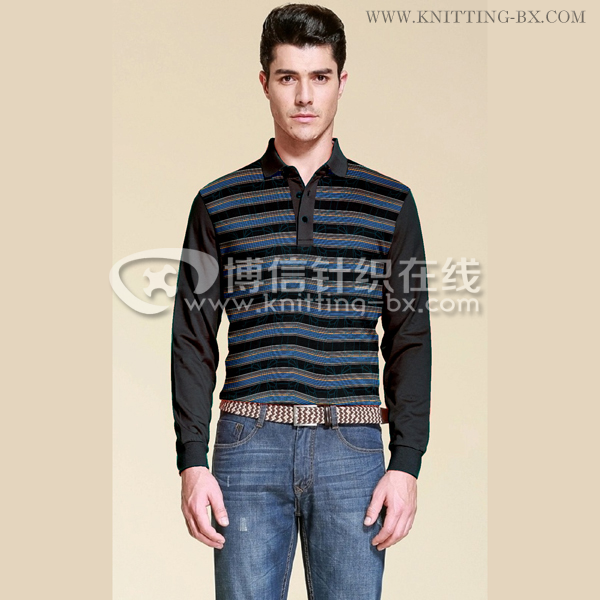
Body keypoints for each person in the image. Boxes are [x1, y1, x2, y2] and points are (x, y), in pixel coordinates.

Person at [171, 4, 432, 599]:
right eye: (288, 77)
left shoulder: (390, 203)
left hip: (353, 446)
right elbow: (192, 336)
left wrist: (406, 463)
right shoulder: (218, 203)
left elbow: (410, 337)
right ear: (265, 82)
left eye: (319, 77)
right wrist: (192, 460)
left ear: (342, 81)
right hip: (247, 442)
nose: (305, 96)